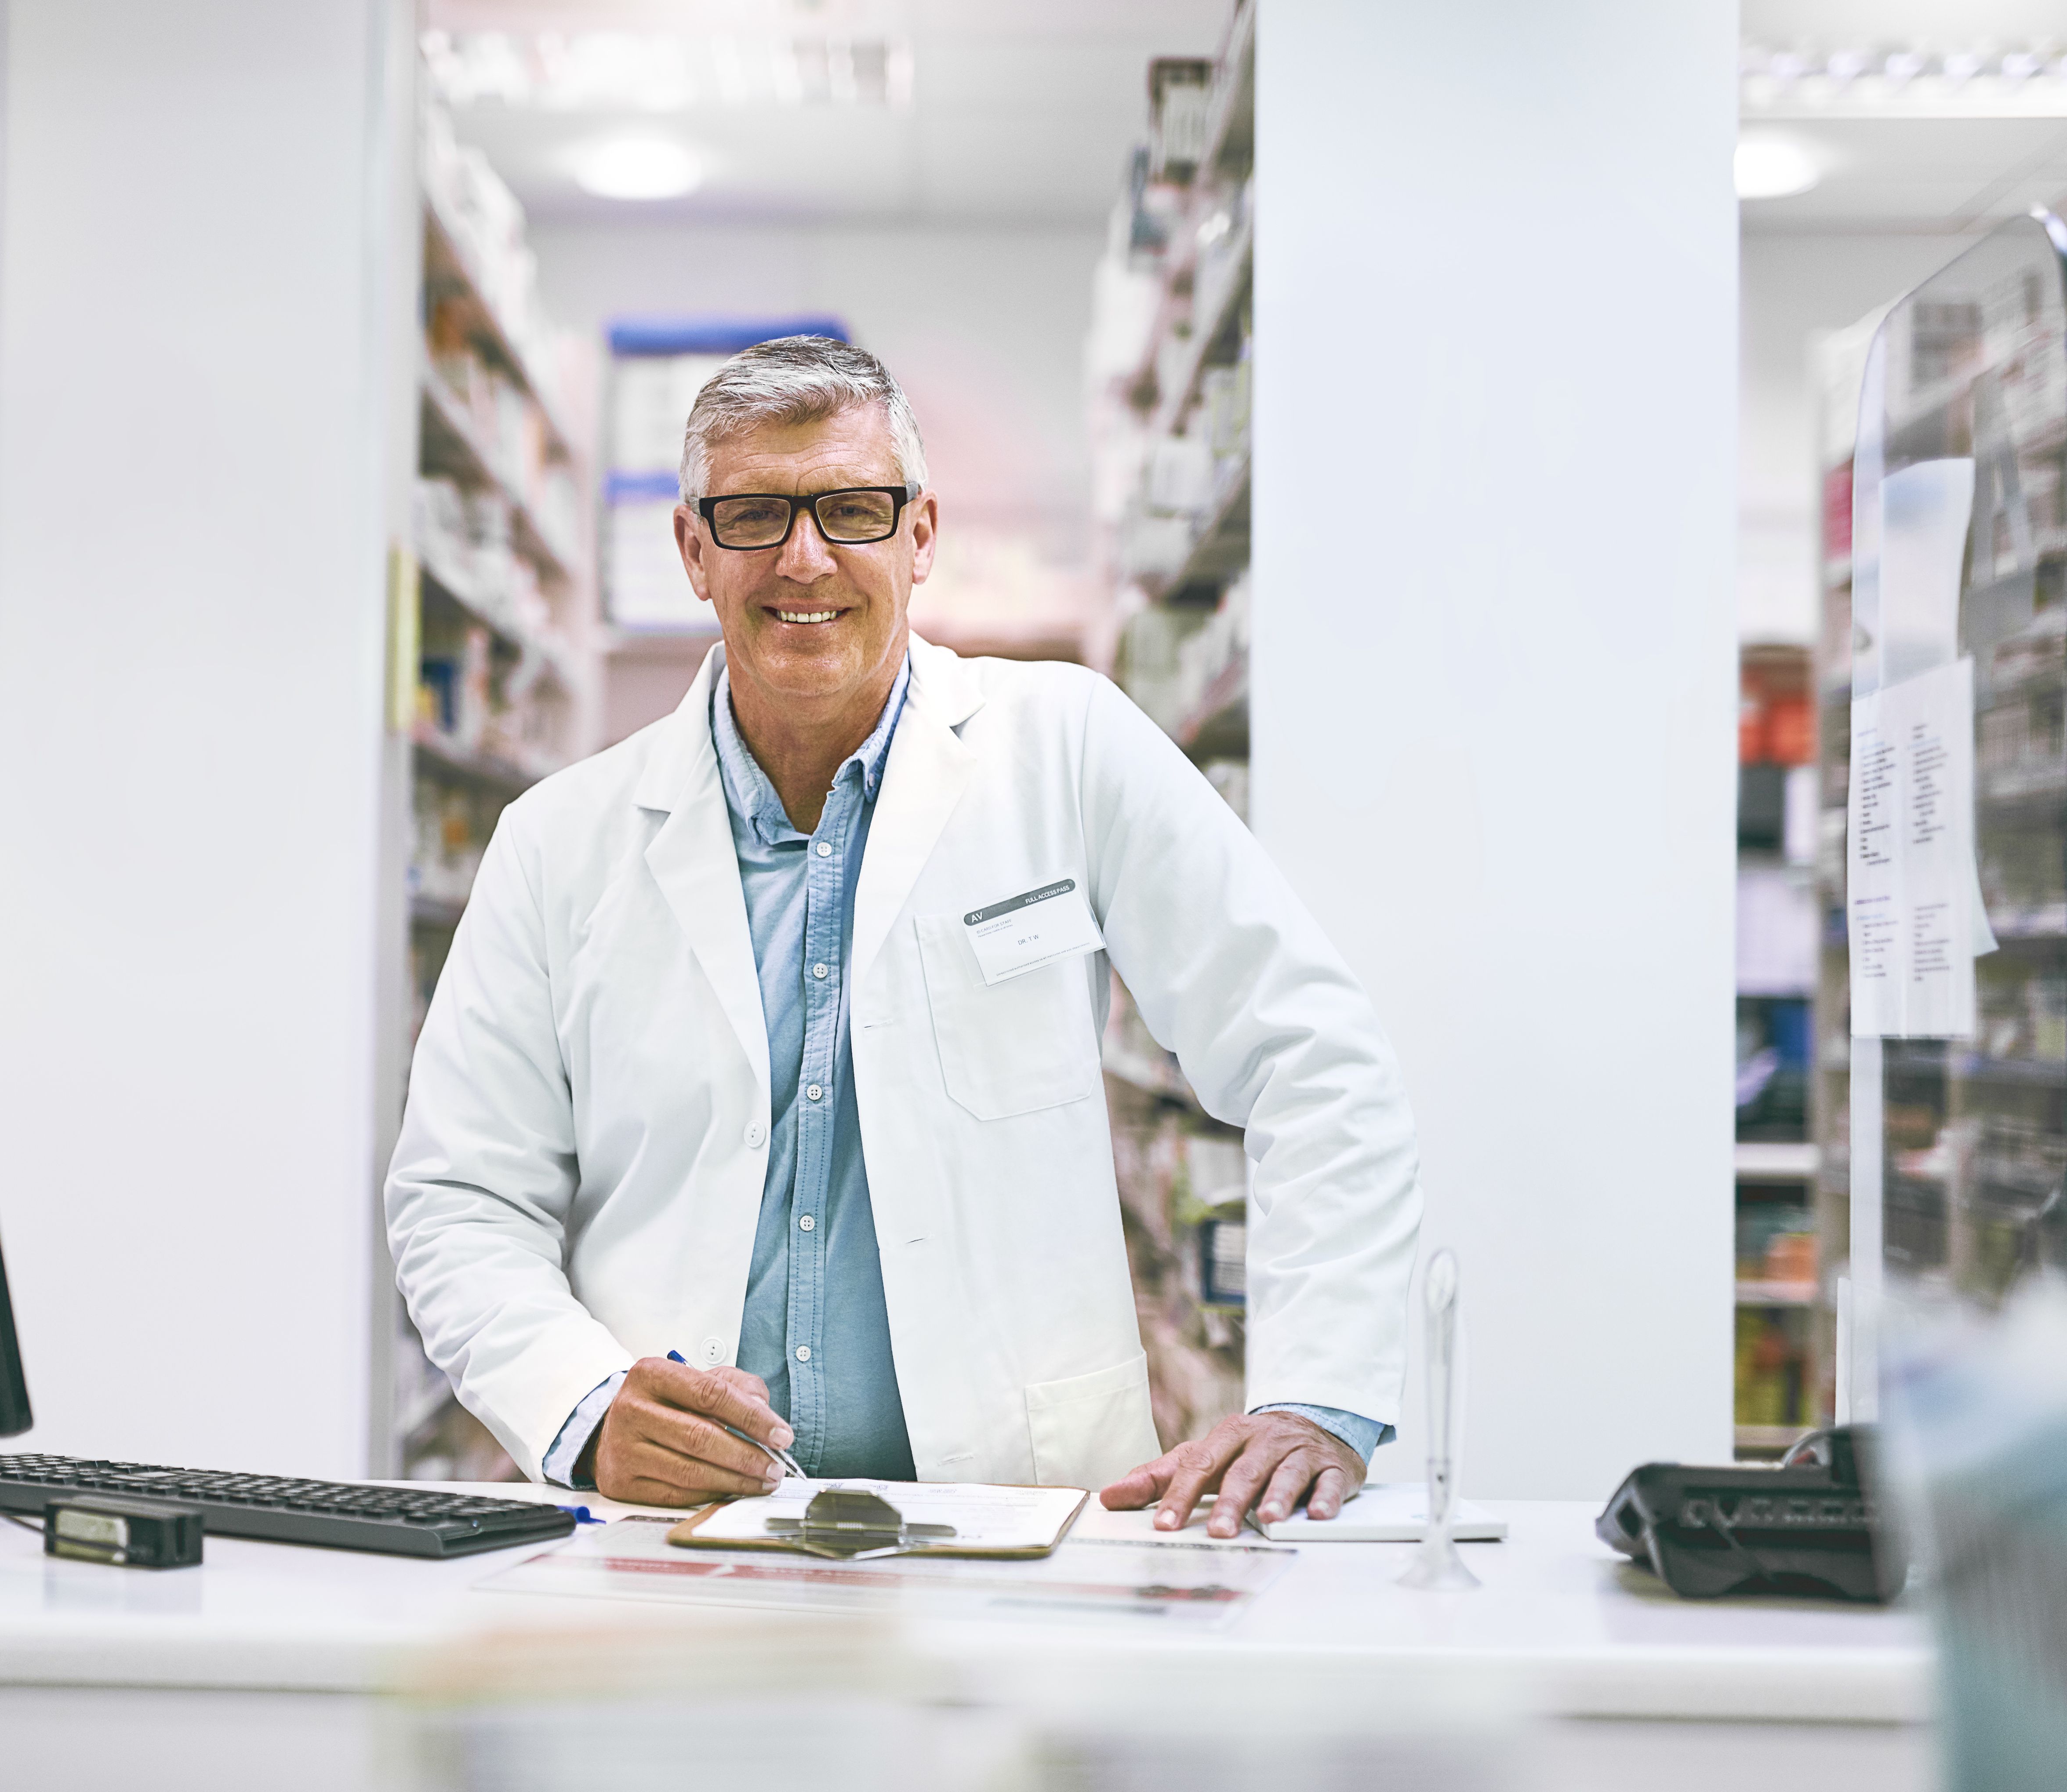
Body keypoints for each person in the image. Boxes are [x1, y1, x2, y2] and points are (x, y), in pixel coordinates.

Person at [386, 336, 1419, 1537]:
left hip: (1024, 1516)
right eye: (755, 515)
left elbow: (1314, 1055)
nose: (804, 557)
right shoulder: (558, 840)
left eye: (852, 509)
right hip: (679, 1529)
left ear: (919, 536)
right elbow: (459, 1195)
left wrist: (1317, 1398)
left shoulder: (1064, 747)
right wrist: (578, 1404)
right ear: (693, 550)